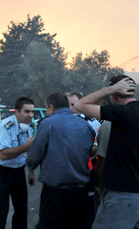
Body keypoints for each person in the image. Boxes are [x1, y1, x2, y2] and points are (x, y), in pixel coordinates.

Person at [74, 75, 139, 228]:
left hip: (123, 196)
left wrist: (111, 89)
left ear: (114, 96)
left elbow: (80, 105)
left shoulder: (122, 113)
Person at [27, 93, 97, 228]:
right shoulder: (85, 125)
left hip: (55, 194)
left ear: (51, 108)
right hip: (80, 192)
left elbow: (36, 153)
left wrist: (31, 167)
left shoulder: (47, 123)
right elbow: (89, 150)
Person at [0, 97, 35, 229]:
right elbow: (3, 155)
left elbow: (29, 151)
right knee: (0, 209)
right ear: (16, 112)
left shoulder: (29, 127)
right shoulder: (4, 126)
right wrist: (25, 147)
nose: (30, 115)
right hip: (1, 171)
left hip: (18, 170)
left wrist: (31, 171)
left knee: (21, 208)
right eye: (26, 111)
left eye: (32, 112)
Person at [68, 92, 100, 227]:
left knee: (87, 206)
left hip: (87, 169)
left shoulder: (92, 121)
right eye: (68, 104)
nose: (71, 108)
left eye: (73, 104)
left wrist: (79, 150)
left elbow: (96, 147)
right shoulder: (62, 120)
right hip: (67, 171)